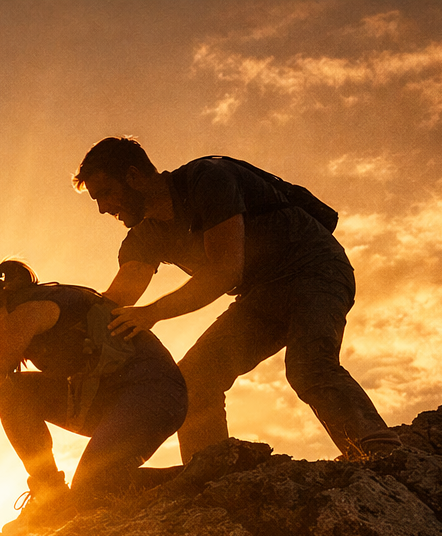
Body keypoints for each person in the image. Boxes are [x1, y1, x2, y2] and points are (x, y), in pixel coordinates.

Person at [74, 136, 401, 463]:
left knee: (308, 365)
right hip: (261, 298)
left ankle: (380, 455)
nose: (103, 207)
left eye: (105, 193)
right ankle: (213, 475)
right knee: (192, 381)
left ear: (132, 176)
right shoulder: (144, 237)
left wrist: (153, 312)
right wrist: (67, 333)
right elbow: (115, 302)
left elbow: (224, 270)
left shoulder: (208, 179)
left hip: (314, 268)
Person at [0, 259, 187, 526]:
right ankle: (50, 494)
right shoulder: (8, 334)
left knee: (93, 490)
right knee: (10, 390)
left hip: (155, 391)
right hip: (110, 399)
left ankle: (204, 476)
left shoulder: (28, 312)